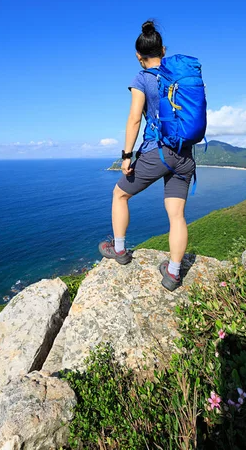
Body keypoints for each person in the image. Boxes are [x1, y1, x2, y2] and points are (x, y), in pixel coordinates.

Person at [98, 20, 196, 291]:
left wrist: (126, 156)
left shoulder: (142, 78)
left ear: (138, 56)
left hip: (157, 153)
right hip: (184, 156)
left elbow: (134, 120)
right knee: (177, 215)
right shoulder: (181, 77)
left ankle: (119, 250)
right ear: (163, 50)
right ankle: (173, 273)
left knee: (120, 194)